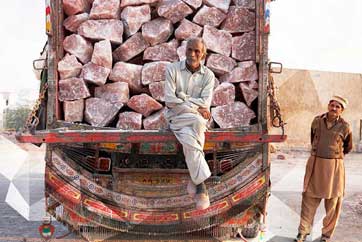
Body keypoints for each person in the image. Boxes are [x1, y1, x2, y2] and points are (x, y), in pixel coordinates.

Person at [164, 38, 215, 210]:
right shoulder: (172, 70)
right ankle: (200, 184)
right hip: (175, 116)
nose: (192, 54)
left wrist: (183, 98)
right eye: (189, 50)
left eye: (197, 51)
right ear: (185, 51)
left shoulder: (209, 76)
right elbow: (170, 100)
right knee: (199, 120)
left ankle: (197, 181)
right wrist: (195, 107)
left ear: (203, 55)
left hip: (190, 122)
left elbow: (205, 103)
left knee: (194, 128)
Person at [295, 95, 353, 242]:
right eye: (332, 105)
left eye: (337, 107)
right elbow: (313, 138)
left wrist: (332, 157)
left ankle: (326, 235)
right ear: (328, 105)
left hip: (334, 167)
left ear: (342, 110)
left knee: (333, 202)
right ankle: (303, 232)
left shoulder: (345, 126)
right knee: (308, 199)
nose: (334, 108)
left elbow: (348, 147)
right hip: (315, 164)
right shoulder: (317, 121)